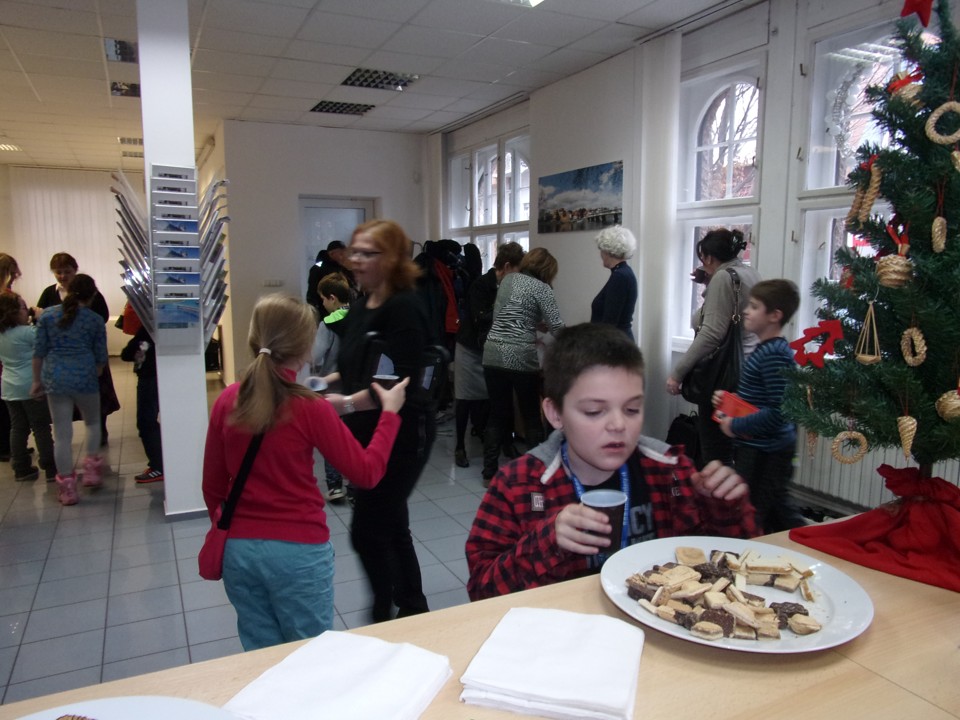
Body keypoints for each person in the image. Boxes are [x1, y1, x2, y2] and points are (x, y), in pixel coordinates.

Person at [466, 323, 759, 600]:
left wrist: (722, 507)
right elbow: (481, 591)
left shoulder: (671, 472)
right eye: (594, 412)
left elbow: (735, 568)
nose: (618, 425)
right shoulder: (517, 486)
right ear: (555, 414)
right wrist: (546, 541)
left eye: (632, 409)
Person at [203, 294, 408, 650]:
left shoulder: (227, 399)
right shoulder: (309, 408)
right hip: (298, 552)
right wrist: (389, 414)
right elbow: (367, 472)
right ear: (305, 349)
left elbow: (212, 486)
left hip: (239, 551)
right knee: (308, 655)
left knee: (259, 653)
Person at [324, 219, 436, 623]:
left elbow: (399, 382)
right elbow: (354, 367)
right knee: (392, 524)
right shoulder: (361, 305)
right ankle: (413, 606)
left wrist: (344, 405)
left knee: (368, 532)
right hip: (369, 432)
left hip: (403, 434)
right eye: (354, 251)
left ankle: (381, 614)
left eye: (366, 253)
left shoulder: (405, 306)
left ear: (390, 259)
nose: (355, 260)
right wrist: (316, 385)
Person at [713, 279, 806, 534]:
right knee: (772, 510)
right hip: (759, 449)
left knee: (756, 514)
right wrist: (730, 400)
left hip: (767, 454)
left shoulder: (774, 354)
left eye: (754, 307)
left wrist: (735, 425)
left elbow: (780, 412)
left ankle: (807, 544)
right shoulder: (766, 350)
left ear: (775, 315)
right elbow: (761, 399)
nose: (746, 311)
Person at [666, 228, 761, 467]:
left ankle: (718, 490)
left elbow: (711, 333)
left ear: (708, 257)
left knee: (716, 451)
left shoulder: (723, 278)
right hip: (747, 370)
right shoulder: (750, 273)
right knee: (737, 448)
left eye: (703, 258)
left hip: (722, 375)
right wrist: (708, 279)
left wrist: (678, 373)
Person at [481, 247, 564, 485]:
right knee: (531, 416)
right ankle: (535, 473)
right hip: (520, 356)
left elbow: (506, 316)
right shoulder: (543, 288)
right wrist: (578, 342)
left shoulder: (508, 280)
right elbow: (557, 327)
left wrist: (532, 323)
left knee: (497, 414)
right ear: (547, 270)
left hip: (493, 353)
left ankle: (488, 472)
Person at [32, 274, 107, 505]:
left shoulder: (48, 316)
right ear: (92, 295)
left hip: (55, 378)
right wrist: (95, 370)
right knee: (92, 423)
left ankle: (67, 487)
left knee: (62, 435)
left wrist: (36, 381)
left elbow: (38, 352)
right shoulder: (94, 320)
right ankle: (91, 470)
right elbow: (101, 357)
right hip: (84, 376)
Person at [36, 253, 119, 447]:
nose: (62, 276)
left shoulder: (90, 293)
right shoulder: (49, 293)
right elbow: (40, 321)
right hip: (61, 358)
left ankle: (99, 431)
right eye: (58, 272)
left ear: (75, 270)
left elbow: (102, 317)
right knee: (66, 405)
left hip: (88, 353)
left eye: (67, 272)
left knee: (97, 400)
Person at [0, 293, 56, 481]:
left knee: (18, 428)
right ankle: (50, 466)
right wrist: (41, 318)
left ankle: (21, 467)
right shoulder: (27, 332)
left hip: (9, 387)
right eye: (24, 308)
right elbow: (48, 340)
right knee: (41, 427)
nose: (28, 310)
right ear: (13, 312)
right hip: (31, 385)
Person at [310, 272, 351, 501]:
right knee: (353, 437)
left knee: (332, 438)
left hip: (332, 388)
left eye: (323, 299)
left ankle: (335, 487)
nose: (323, 304)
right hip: (355, 387)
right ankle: (355, 485)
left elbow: (315, 357)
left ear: (332, 298)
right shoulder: (359, 316)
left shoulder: (327, 324)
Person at [119, 306, 164, 484]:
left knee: (146, 422)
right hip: (157, 376)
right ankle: (160, 463)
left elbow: (127, 353)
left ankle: (158, 465)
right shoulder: (159, 324)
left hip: (149, 378)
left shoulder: (148, 328)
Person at [452, 243, 486, 468]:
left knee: (481, 397)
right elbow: (477, 318)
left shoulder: (465, 276)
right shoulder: (479, 284)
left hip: (481, 346)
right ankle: (460, 447)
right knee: (464, 398)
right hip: (469, 344)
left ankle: (476, 434)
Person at [590, 225, 638, 341]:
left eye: (601, 250)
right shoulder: (624, 272)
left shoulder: (620, 276)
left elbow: (609, 323)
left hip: (616, 344)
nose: (601, 254)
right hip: (619, 340)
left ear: (608, 251)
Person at [0, 253, 21, 462]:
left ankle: (10, 445)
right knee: (7, 409)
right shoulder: (6, 296)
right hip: (7, 357)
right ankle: (6, 447)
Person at [306, 241, 356, 317]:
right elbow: (312, 293)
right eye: (341, 254)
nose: (343, 256)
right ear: (331, 254)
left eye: (344, 253)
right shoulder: (318, 269)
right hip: (326, 312)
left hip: (346, 310)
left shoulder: (344, 267)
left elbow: (352, 287)